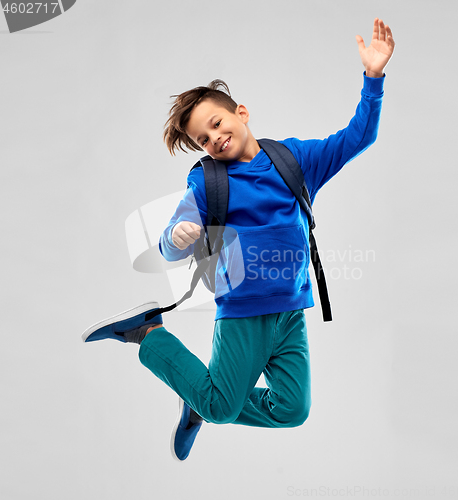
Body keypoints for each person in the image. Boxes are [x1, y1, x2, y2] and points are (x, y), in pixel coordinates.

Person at [81, 18, 395, 462]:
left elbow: (357, 137)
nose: (214, 139)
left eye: (217, 123)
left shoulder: (294, 159)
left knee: (292, 410)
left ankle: (198, 397)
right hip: (243, 313)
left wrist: (374, 78)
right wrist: (180, 234)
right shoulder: (208, 184)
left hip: (290, 311)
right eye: (202, 139)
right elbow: (171, 242)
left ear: (240, 113)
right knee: (219, 405)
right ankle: (147, 334)